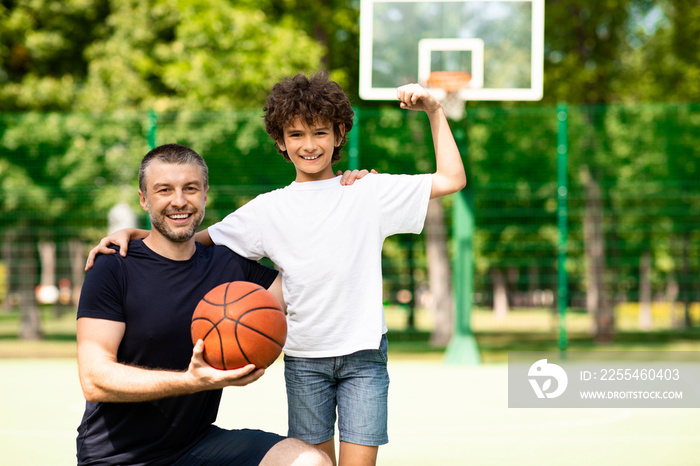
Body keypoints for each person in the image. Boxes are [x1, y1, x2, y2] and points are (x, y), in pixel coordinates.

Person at [86, 71, 466, 466]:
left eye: (320, 132)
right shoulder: (266, 210)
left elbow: (452, 179)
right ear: (281, 142)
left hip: (364, 356)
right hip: (304, 360)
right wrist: (135, 232)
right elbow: (191, 238)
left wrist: (435, 110)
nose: (309, 144)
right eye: (296, 135)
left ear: (339, 135)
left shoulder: (368, 192)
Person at [76, 143, 332, 466]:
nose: (179, 200)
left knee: (309, 462)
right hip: (117, 458)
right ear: (143, 199)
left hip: (197, 447)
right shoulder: (114, 267)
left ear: (205, 195)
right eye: (164, 190)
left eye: (190, 188)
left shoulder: (229, 265)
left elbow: (303, 287)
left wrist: (342, 189)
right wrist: (190, 381)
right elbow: (94, 378)